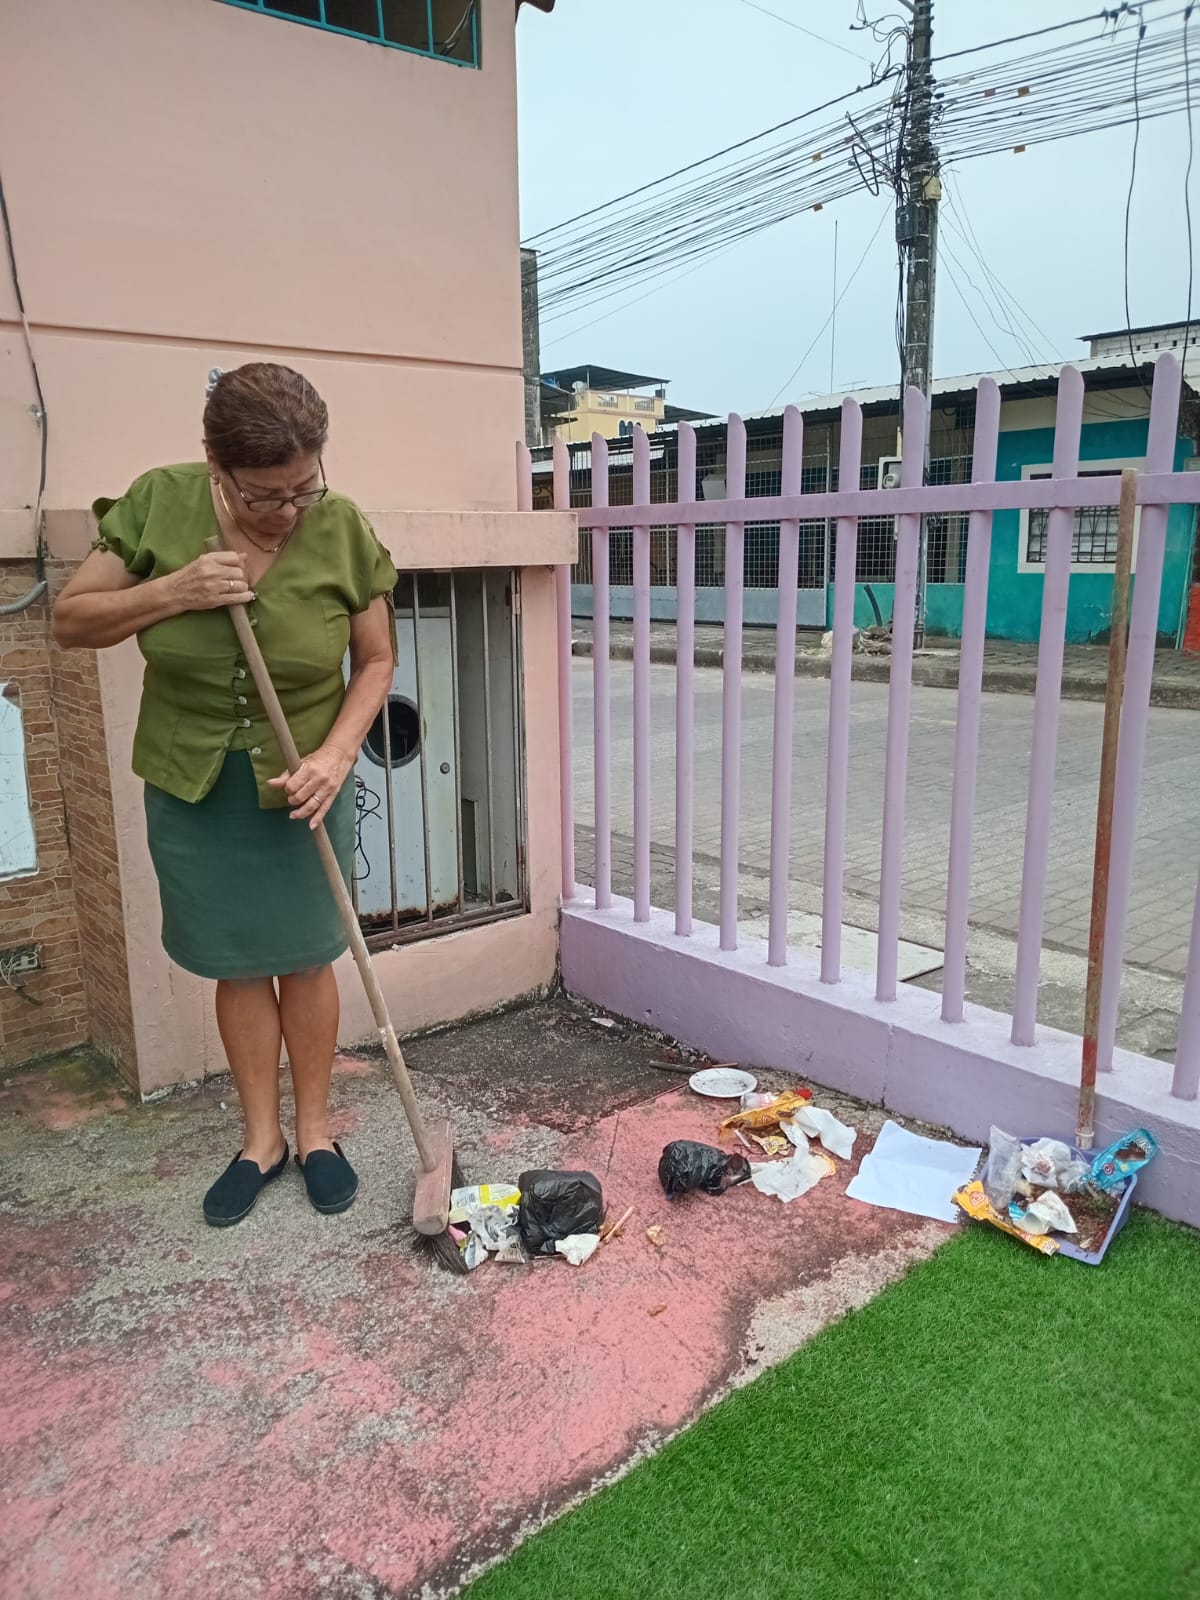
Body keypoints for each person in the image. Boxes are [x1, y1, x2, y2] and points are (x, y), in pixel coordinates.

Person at [53, 363, 398, 1227]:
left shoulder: (342, 526)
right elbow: (71, 620)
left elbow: (377, 660)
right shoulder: (159, 503)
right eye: (264, 495)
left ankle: (315, 1134)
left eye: (303, 489)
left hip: (304, 783)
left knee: (307, 954)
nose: (287, 511)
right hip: (195, 783)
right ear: (216, 466)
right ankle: (261, 1141)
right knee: (238, 960)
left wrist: (336, 754)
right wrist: (174, 590)